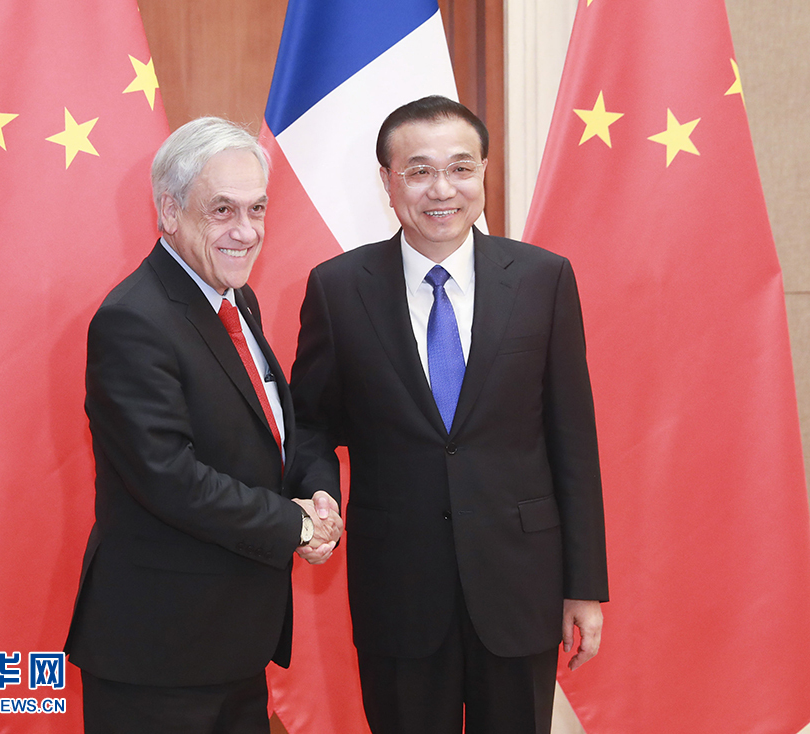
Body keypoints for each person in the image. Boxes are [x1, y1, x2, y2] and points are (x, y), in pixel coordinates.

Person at [289, 96, 608, 734]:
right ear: (387, 181)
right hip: (398, 588)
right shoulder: (338, 288)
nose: (442, 189)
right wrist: (319, 495)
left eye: (461, 168)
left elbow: (572, 439)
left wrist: (584, 584)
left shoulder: (543, 278)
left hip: (520, 585)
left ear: (484, 172)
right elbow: (311, 424)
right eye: (420, 171)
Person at [64, 116, 342, 734]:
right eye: (222, 210)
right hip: (159, 654)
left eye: (256, 208)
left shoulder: (236, 299)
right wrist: (294, 524)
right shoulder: (133, 319)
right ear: (169, 211)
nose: (246, 231)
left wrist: (318, 493)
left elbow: (270, 433)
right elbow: (168, 477)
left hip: (234, 645)